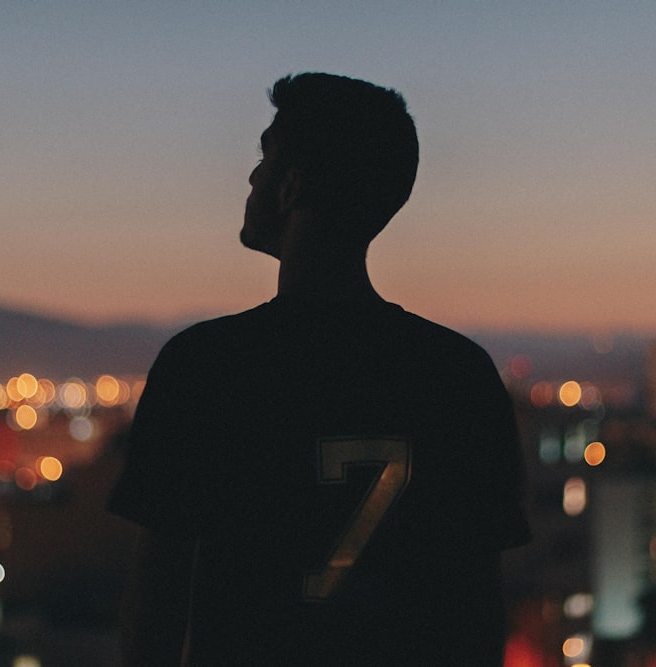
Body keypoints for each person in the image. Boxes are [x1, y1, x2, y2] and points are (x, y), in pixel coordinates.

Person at [108, 72, 530, 666]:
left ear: (292, 189)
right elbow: (477, 615)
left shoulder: (206, 367)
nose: (253, 176)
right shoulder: (457, 377)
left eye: (266, 157)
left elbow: (155, 607)